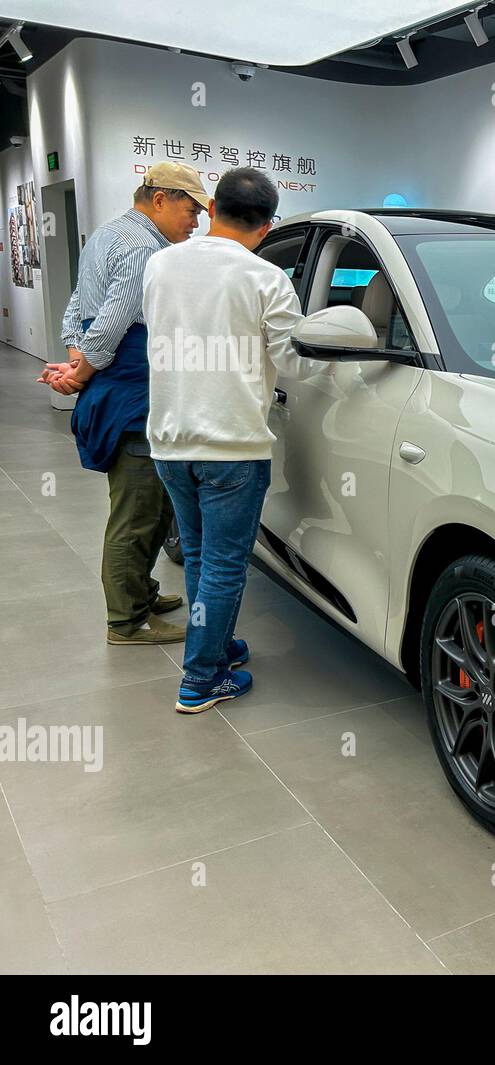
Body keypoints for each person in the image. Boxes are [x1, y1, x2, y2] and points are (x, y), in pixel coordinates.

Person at [144, 167, 325, 713]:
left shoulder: (159, 264)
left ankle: (213, 644)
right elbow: (293, 360)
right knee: (223, 563)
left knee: (200, 555)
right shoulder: (266, 279)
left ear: (213, 207)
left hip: (170, 441)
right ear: (267, 226)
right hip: (232, 448)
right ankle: (201, 678)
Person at [40, 162, 211, 644]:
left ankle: (143, 591)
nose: (194, 222)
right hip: (134, 394)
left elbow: (78, 308)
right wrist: (83, 369)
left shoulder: (107, 235)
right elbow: (112, 325)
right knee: (139, 513)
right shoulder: (143, 250)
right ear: (159, 199)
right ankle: (126, 620)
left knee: (152, 506)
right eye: (190, 209)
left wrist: (77, 361)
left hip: (119, 387)